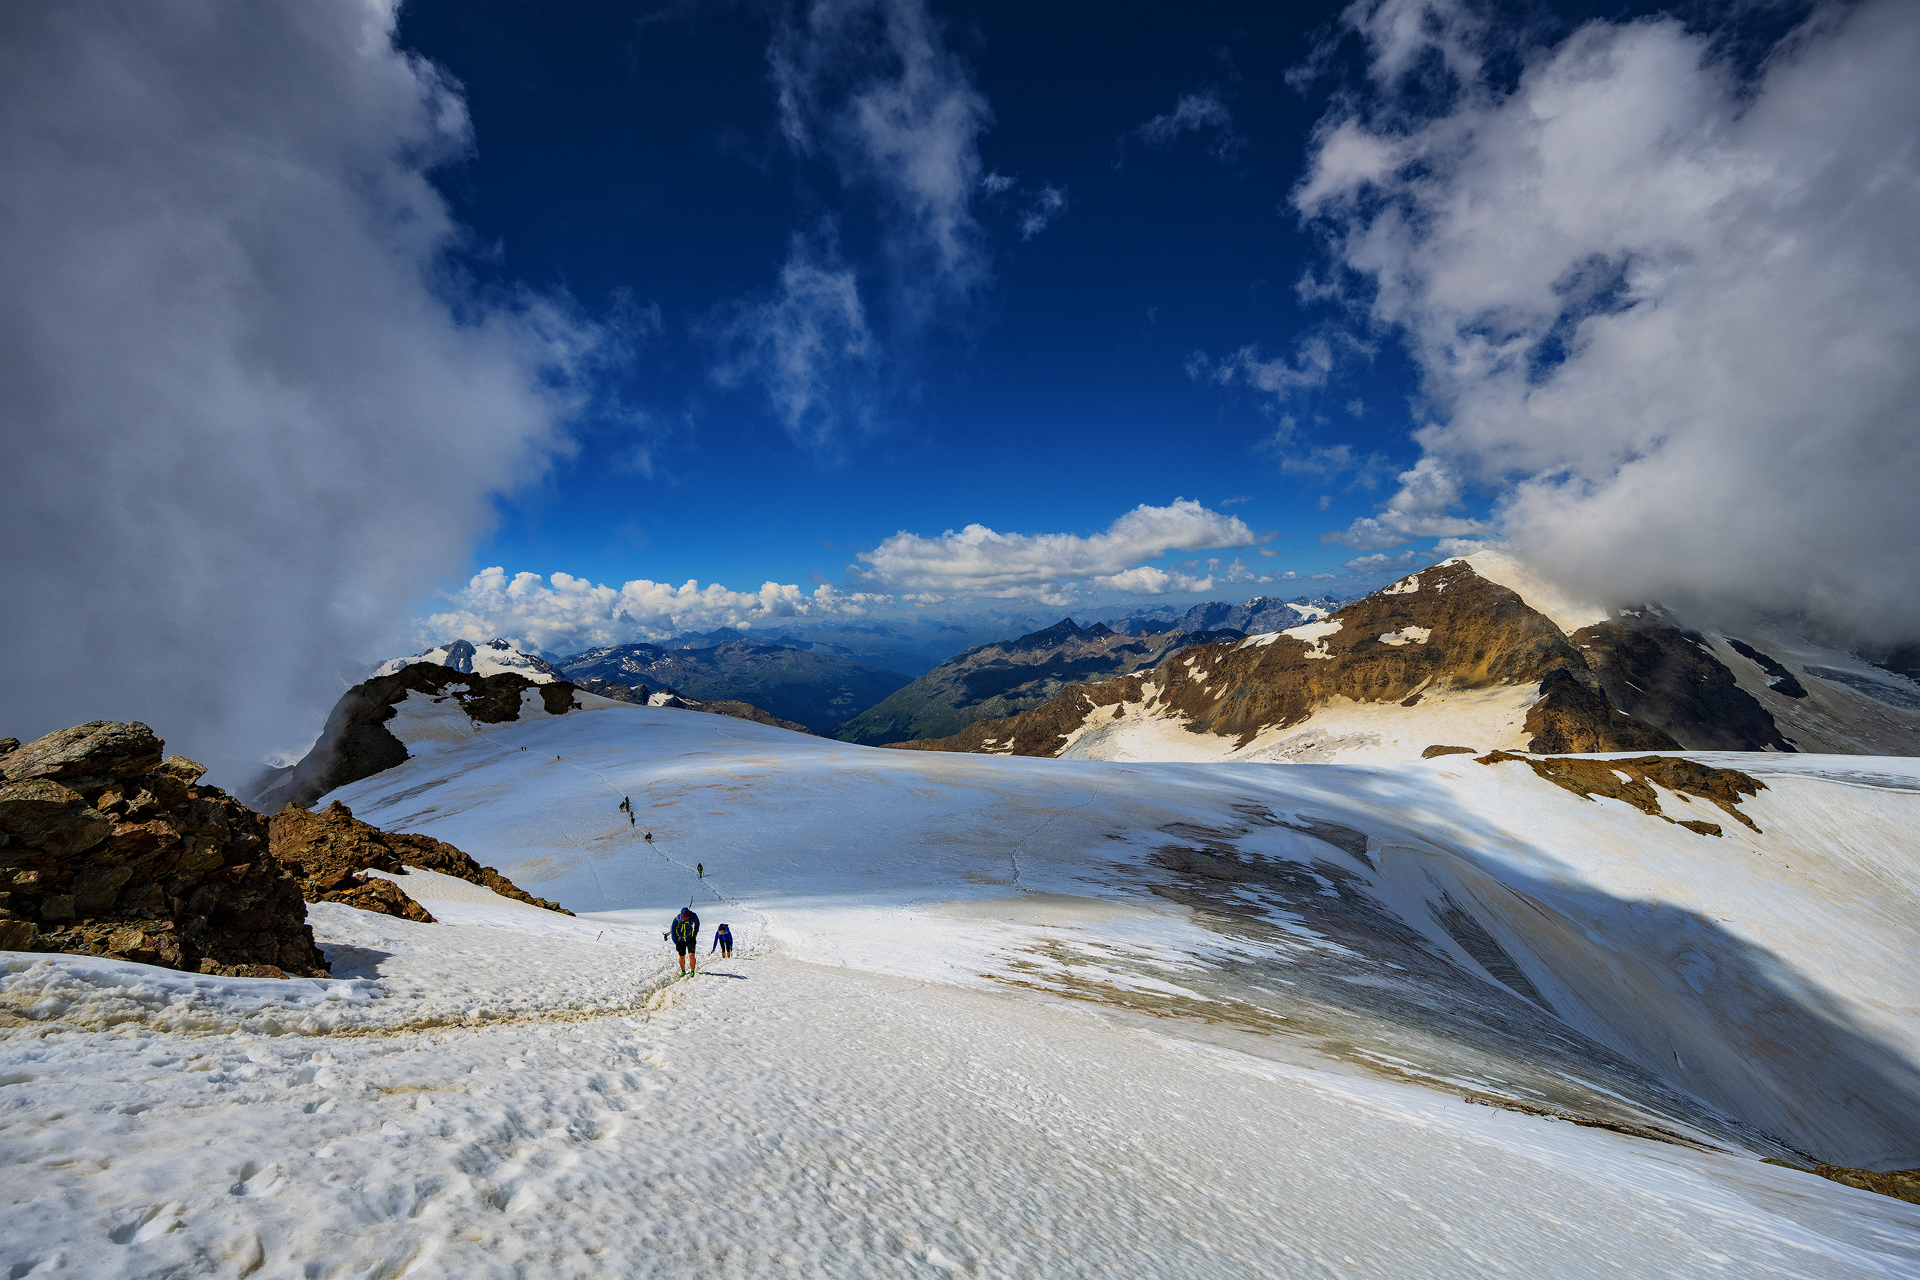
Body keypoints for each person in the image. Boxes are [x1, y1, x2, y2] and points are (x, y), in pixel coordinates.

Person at [665, 906, 700, 976]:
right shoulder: (676, 920)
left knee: (691, 955)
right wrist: (676, 942)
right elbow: (673, 931)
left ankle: (692, 971)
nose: (685, 919)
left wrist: (694, 934)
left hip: (690, 938)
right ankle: (683, 971)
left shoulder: (692, 916)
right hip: (680, 941)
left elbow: (697, 924)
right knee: (682, 956)